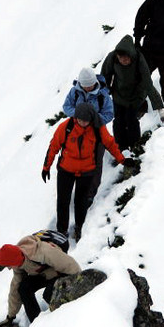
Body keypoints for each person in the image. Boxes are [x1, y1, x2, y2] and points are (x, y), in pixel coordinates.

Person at [42, 102, 126, 239]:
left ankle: (80, 227)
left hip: (86, 172)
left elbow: (110, 144)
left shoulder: (98, 128)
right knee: (63, 201)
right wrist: (46, 167)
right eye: (79, 119)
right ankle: (61, 231)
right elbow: (53, 147)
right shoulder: (66, 127)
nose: (82, 122)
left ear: (91, 119)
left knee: (81, 202)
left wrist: (122, 159)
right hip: (66, 170)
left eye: (85, 120)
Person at [101, 35, 164, 151]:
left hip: (136, 94)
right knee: (118, 121)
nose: (123, 61)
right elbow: (105, 75)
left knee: (131, 120)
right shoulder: (112, 58)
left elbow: (148, 84)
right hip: (119, 93)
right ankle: (121, 148)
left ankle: (135, 147)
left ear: (130, 55)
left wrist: (160, 108)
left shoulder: (139, 60)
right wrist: (106, 90)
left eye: (126, 58)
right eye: (121, 58)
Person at [0, 232, 81, 322]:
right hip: (45, 274)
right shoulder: (18, 262)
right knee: (23, 288)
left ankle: (65, 319)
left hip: (61, 272)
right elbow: (15, 287)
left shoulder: (44, 251)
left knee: (49, 294)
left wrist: (80, 280)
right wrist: (11, 316)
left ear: (14, 260)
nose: (9, 268)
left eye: (8, 265)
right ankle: (36, 322)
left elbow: (69, 264)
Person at [62, 67, 115, 204]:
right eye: (84, 86)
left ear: (95, 82)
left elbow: (109, 114)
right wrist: (79, 116)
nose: (87, 88)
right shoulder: (74, 92)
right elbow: (66, 107)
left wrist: (93, 119)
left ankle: (89, 195)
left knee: (95, 164)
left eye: (89, 85)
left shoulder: (103, 95)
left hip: (97, 134)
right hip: (77, 133)